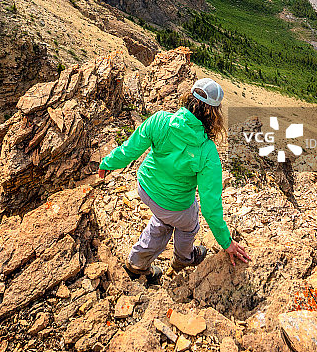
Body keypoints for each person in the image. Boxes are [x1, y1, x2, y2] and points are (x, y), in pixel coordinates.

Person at [98, 77, 250, 281]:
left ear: (189, 97)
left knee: (163, 219)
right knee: (189, 223)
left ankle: (137, 263)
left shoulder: (160, 120)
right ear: (214, 113)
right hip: (175, 205)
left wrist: (107, 163)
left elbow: (129, 150)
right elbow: (210, 208)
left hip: (145, 186)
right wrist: (226, 242)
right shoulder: (207, 151)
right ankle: (184, 257)